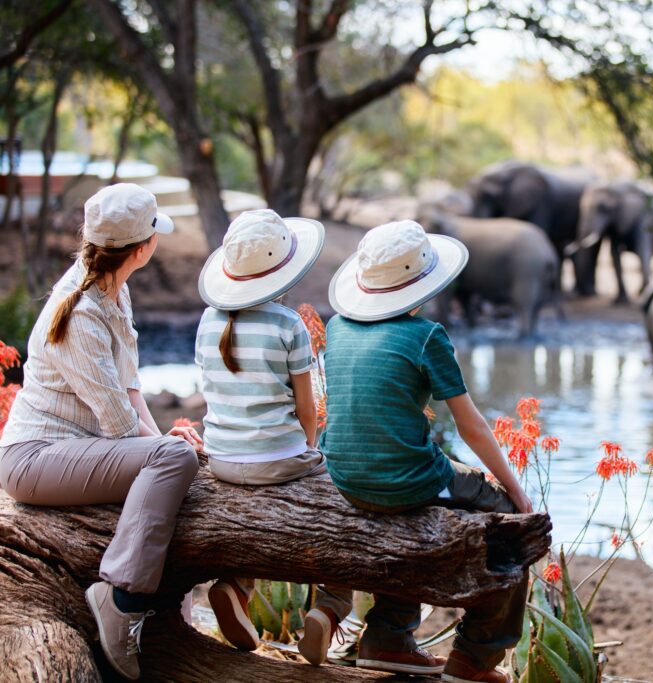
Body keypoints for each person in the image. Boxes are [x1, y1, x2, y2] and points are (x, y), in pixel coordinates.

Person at [0, 183, 202, 680]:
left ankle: (156, 613)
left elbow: (130, 388)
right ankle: (122, 599)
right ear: (142, 248)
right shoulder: (81, 312)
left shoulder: (114, 289)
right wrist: (163, 449)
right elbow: (117, 424)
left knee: (174, 455)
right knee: (175, 459)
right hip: (34, 458)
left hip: (74, 450)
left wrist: (162, 438)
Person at [321, 220, 533, 683]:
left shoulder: (337, 327)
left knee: (410, 506)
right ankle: (475, 657)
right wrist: (517, 494)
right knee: (512, 528)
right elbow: (472, 427)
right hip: (406, 480)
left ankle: (388, 639)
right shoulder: (426, 335)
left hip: (344, 478)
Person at [194, 209, 351, 664]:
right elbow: (307, 409)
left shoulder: (207, 321)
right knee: (346, 511)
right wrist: (308, 451)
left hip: (222, 459)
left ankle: (235, 585)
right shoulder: (288, 325)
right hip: (281, 459)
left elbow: (211, 392)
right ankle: (330, 607)